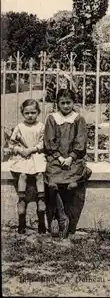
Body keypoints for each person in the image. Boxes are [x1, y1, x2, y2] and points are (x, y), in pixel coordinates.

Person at [44, 88, 91, 239]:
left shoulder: (78, 119)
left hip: (73, 160)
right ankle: (60, 214)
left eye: (68, 103)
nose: (66, 106)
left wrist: (71, 157)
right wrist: (59, 157)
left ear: (73, 103)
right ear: (57, 103)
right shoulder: (52, 118)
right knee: (52, 184)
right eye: (62, 103)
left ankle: (68, 218)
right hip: (56, 159)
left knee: (72, 184)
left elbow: (81, 141)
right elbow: (49, 141)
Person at [8, 99, 47, 234]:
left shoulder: (41, 126)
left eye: (33, 112)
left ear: (38, 113)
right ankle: (22, 200)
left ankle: (41, 200)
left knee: (40, 174)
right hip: (23, 156)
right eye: (27, 113)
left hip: (35, 155)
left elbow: (43, 143)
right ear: (23, 113)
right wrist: (20, 150)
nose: (30, 115)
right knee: (23, 175)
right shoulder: (20, 127)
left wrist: (33, 149)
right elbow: (11, 144)